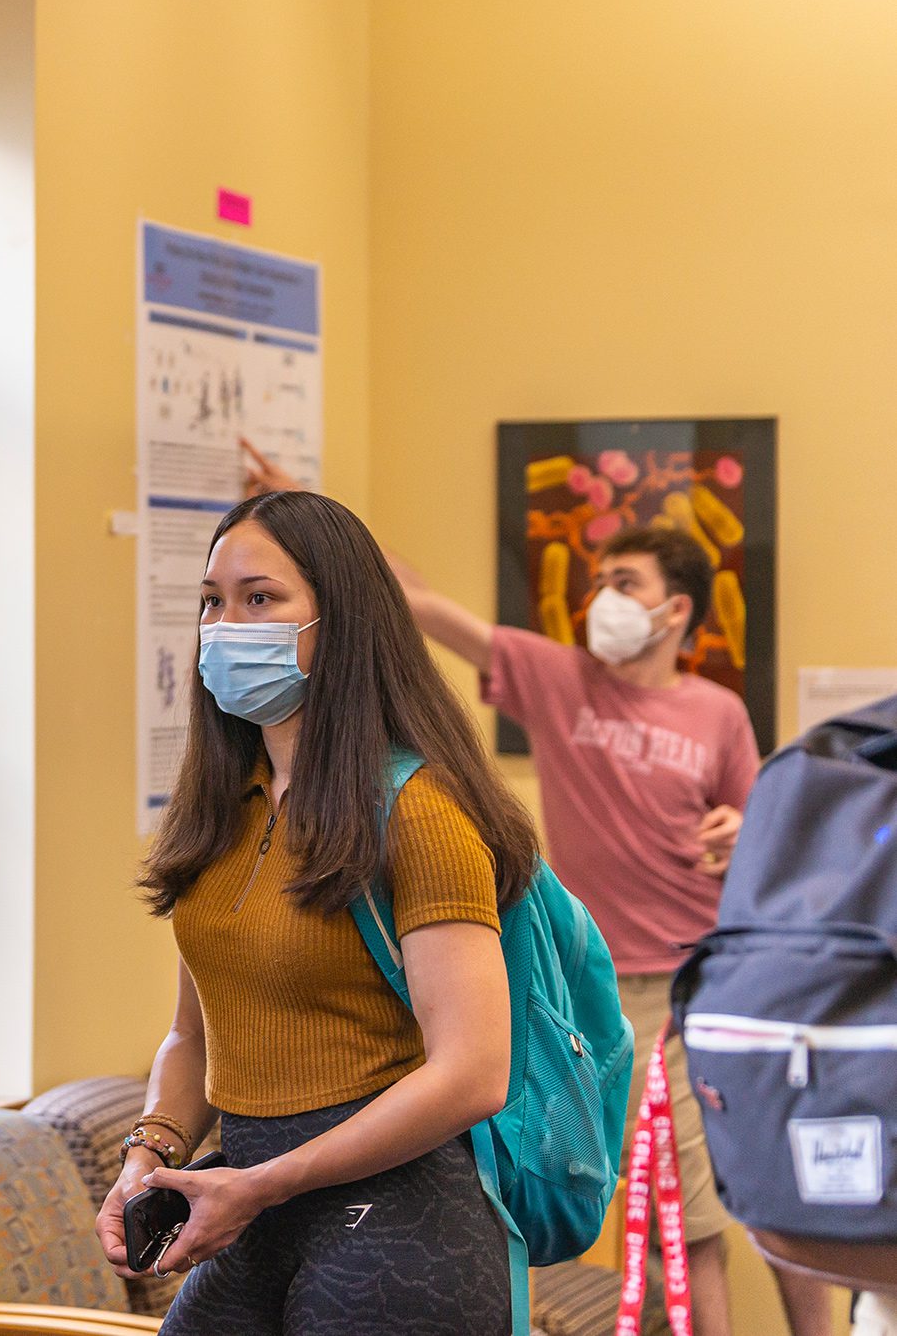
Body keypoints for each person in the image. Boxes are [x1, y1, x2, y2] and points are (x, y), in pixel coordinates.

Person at [241, 440, 833, 1336]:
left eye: (624, 583)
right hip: (585, 988)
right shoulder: (559, 677)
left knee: (695, 1216)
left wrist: (735, 833)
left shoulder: (715, 711)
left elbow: (756, 834)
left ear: (675, 610)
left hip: (687, 989)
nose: (603, 598)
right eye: (600, 578)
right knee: (635, 1209)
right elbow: (419, 601)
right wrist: (295, 502)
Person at [98, 488, 536, 1334]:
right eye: (212, 603)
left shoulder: (418, 811)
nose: (226, 625)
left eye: (260, 599)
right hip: (251, 1209)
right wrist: (148, 1155)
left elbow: (473, 1072)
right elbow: (194, 1035)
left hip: (400, 1228)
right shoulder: (225, 810)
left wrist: (263, 1183)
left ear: (340, 621)